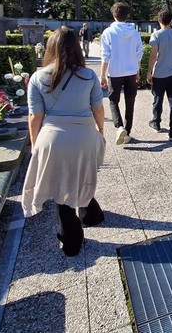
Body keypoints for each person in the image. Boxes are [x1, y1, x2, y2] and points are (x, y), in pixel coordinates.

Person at [22, 26, 106, 257]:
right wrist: (100, 130)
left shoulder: (38, 78)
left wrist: (34, 143)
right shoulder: (87, 75)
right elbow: (98, 108)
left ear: (50, 48)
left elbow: (35, 116)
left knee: (61, 184)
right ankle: (92, 214)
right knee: (81, 173)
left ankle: (71, 239)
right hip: (85, 134)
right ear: (77, 47)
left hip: (53, 136)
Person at [100, 2, 143, 145]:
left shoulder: (108, 32)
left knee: (113, 101)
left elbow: (105, 55)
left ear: (113, 15)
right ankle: (127, 132)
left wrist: (102, 75)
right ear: (127, 15)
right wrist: (137, 71)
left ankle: (119, 127)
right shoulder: (135, 32)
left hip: (115, 71)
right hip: (131, 71)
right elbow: (139, 54)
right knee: (130, 102)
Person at [146, 9, 172, 140]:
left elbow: (153, 56)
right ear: (171, 21)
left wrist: (149, 71)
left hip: (160, 73)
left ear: (159, 20)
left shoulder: (156, 35)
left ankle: (156, 122)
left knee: (157, 99)